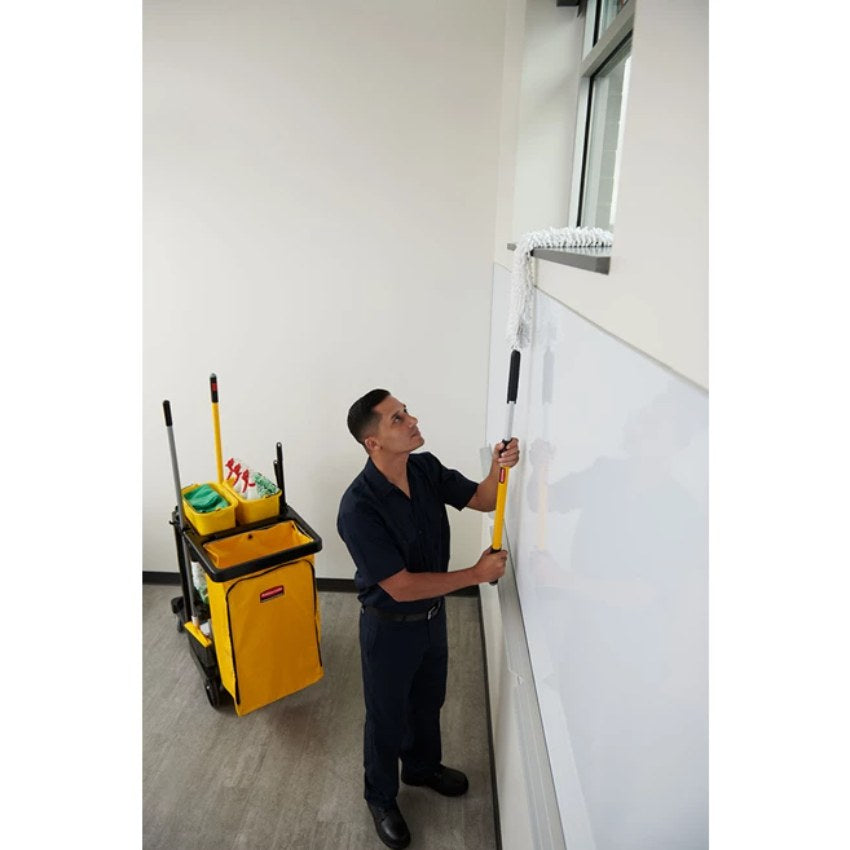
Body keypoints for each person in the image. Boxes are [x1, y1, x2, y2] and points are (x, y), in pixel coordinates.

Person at [336, 389, 520, 850]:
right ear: (372, 442)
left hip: (432, 618)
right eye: (398, 418)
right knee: (386, 716)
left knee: (428, 699)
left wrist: (500, 467)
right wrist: (476, 574)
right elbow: (399, 586)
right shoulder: (358, 508)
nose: (412, 419)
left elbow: (481, 499)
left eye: (406, 411)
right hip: (389, 627)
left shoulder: (424, 468)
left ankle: (420, 767)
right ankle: (380, 796)